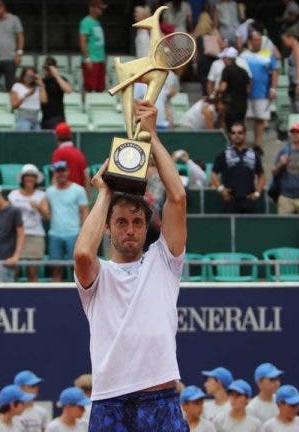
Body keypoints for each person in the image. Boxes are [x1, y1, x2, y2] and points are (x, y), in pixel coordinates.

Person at [74, 100, 187, 431]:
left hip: (161, 399)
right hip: (111, 400)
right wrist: (105, 192)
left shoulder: (164, 261)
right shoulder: (98, 274)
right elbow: (82, 253)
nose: (129, 230)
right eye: (121, 222)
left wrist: (152, 136)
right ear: (108, 228)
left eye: (137, 222)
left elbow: (177, 197)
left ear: (146, 226)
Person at [46, 161, 88, 282]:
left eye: (63, 171)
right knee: (56, 269)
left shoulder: (78, 190)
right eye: (58, 171)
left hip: (74, 234)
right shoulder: (49, 192)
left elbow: (84, 211)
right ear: (55, 173)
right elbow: (46, 211)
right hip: (55, 234)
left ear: (67, 172)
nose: (61, 174)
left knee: (77, 268)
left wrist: (84, 233)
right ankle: (54, 297)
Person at [211, 122, 265, 213]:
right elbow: (213, 174)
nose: (237, 135)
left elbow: (261, 175)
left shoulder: (253, 154)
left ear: (244, 134)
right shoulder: (223, 154)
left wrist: (257, 193)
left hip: (249, 199)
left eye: (240, 132)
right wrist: (221, 189)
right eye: (233, 133)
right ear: (230, 135)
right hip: (230, 200)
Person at [7, 164, 48, 282]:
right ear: (23, 178)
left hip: (35, 235)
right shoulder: (13, 195)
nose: (30, 178)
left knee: (32, 271)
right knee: (14, 271)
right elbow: (8, 216)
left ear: (36, 179)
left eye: (32, 176)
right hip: (16, 236)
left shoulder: (41, 195)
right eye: (27, 176)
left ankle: (34, 299)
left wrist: (38, 207)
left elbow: (46, 216)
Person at [240, 31, 278, 147]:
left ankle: (257, 145)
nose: (257, 43)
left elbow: (275, 72)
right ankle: (242, 144)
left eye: (259, 40)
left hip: (262, 93)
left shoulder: (268, 54)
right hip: (245, 94)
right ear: (250, 41)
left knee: (260, 119)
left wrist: (273, 89)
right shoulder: (243, 55)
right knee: (244, 119)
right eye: (255, 40)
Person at [0, 0, 24, 92]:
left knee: (10, 87)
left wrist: (19, 54)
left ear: (2, 7)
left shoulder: (14, 19)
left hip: (10, 59)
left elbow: (20, 37)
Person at [218, 48, 251, 132]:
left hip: (230, 104)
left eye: (224, 58)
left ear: (228, 59)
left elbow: (223, 88)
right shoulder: (243, 71)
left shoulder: (226, 70)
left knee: (231, 127)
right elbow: (248, 88)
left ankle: (231, 143)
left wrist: (217, 91)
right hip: (242, 104)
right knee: (240, 125)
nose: (223, 60)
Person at [51, 123, 90, 193]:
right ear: (70, 135)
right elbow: (86, 177)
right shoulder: (79, 153)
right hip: (79, 197)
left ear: (57, 137)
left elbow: (55, 177)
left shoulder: (58, 153)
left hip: (64, 196)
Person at [79, 1, 106, 93]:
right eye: (100, 8)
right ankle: (85, 106)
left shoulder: (97, 22)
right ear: (93, 8)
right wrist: (87, 59)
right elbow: (82, 42)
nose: (102, 10)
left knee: (100, 87)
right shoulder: (85, 22)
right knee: (89, 87)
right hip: (92, 61)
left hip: (100, 60)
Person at [10, 67, 46, 131]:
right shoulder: (17, 86)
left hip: (35, 119)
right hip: (22, 118)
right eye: (27, 76)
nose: (29, 78)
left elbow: (44, 100)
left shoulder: (38, 88)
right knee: (25, 139)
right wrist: (26, 95)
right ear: (23, 76)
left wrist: (41, 85)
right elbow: (14, 105)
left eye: (32, 76)